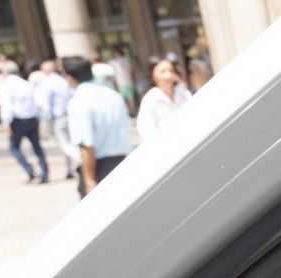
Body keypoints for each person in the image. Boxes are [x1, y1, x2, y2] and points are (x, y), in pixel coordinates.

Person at [62, 55, 132, 197]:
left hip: (99, 168)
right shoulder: (114, 96)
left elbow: (86, 145)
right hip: (122, 163)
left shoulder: (79, 101)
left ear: (69, 77)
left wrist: (89, 180)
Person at [0, 61, 50, 184]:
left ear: (5, 72)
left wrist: (6, 123)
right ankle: (45, 174)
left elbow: (5, 105)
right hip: (32, 118)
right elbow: (37, 102)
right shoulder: (26, 83)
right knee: (37, 148)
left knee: (14, 147)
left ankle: (30, 171)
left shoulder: (5, 85)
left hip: (17, 120)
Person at [39, 59, 78, 180]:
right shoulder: (63, 80)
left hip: (58, 118)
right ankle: (69, 169)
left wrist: (47, 121)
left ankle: (81, 158)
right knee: (70, 142)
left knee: (65, 145)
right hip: (69, 116)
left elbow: (45, 104)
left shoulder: (47, 83)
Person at [136, 58, 192, 139]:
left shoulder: (183, 93)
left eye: (171, 71)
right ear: (153, 76)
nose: (168, 75)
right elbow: (146, 131)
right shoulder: (150, 100)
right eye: (163, 72)